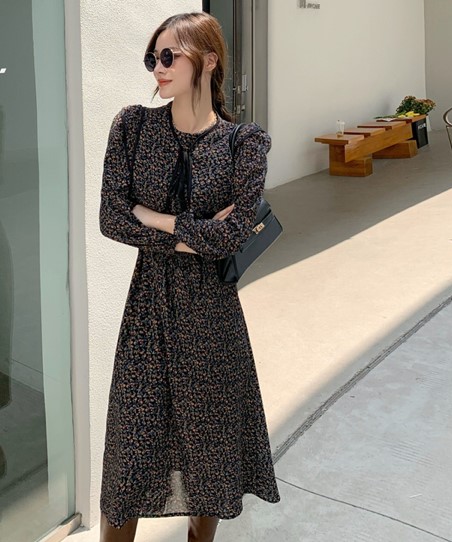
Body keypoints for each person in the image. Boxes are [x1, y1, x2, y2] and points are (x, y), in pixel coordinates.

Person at [98, 11, 280, 542]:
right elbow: (112, 219)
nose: (158, 67)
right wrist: (195, 235)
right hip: (147, 309)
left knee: (210, 454)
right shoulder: (132, 126)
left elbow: (233, 236)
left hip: (211, 316)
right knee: (130, 458)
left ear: (209, 59)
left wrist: (156, 220)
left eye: (169, 56)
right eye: (152, 57)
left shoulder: (244, 142)